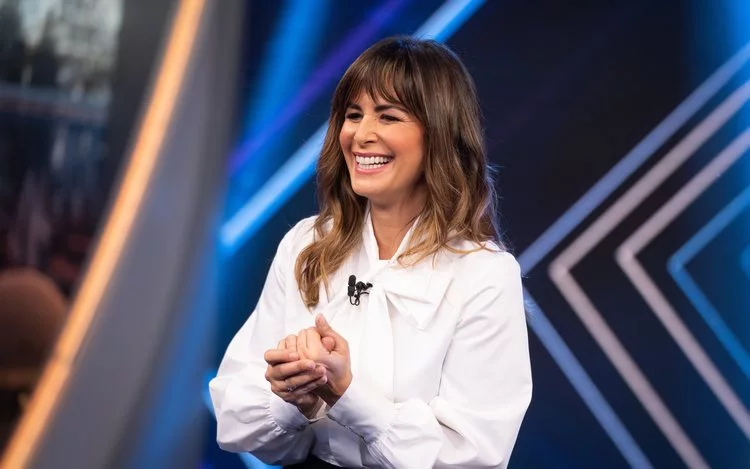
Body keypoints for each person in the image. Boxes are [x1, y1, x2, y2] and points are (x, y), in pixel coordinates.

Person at [210, 36, 532, 468]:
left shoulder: (485, 274)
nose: (361, 135)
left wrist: (347, 394)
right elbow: (235, 417)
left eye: (388, 116)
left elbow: (475, 454)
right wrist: (294, 400)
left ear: (439, 134)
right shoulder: (307, 244)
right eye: (353, 115)